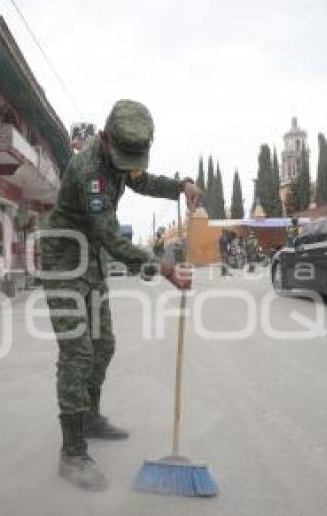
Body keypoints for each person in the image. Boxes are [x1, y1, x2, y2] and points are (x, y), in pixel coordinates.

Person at [40, 100, 204, 491]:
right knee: (77, 352)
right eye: (122, 156)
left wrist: (179, 187)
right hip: (64, 261)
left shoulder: (119, 162)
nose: (127, 164)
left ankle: (91, 416)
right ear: (103, 137)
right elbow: (110, 237)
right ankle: (72, 451)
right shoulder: (89, 171)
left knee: (104, 344)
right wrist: (162, 269)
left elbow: (141, 179)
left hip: (90, 261)